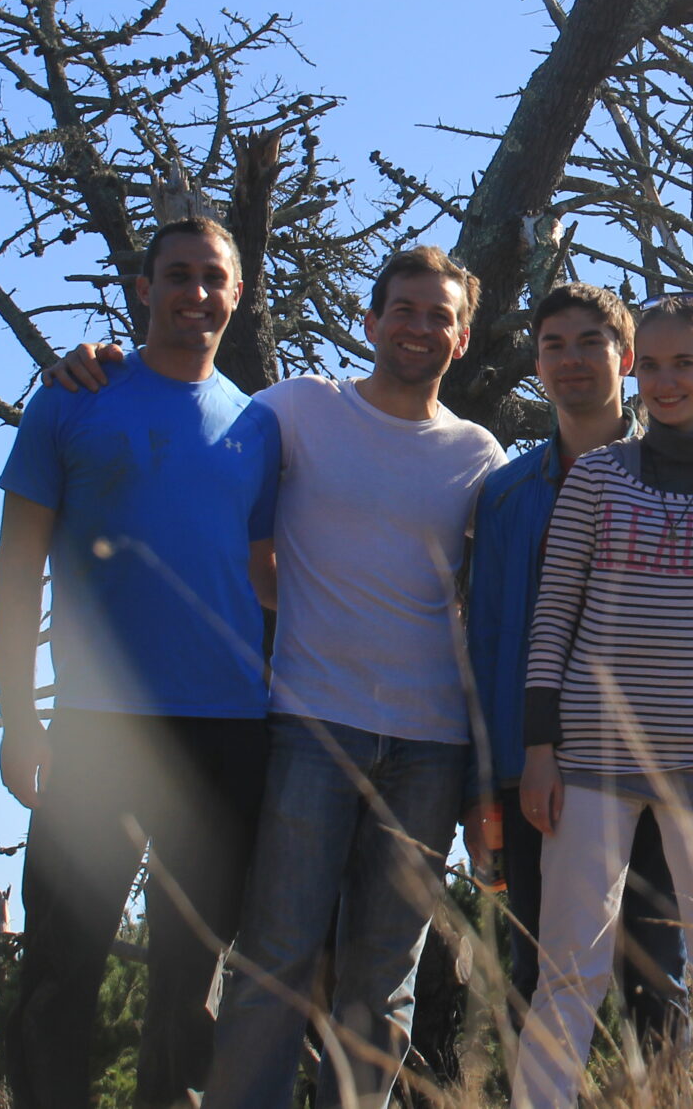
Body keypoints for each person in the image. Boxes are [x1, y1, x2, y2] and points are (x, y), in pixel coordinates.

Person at [464, 284, 693, 1053]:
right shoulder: (512, 492)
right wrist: (510, 767)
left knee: (675, 972)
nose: (665, 379)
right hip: (572, 763)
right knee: (555, 970)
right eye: (552, 345)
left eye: (681, 363)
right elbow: (507, 634)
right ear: (535, 361)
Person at [0, 219, 283, 1109]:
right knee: (58, 967)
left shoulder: (258, 426)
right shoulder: (74, 399)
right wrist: (18, 717)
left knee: (189, 977)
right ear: (146, 286)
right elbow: (16, 566)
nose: (196, 293)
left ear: (238, 295)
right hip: (96, 729)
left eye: (214, 279)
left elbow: (267, 579)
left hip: (229, 731)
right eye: (179, 275)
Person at [211, 246, 507, 1109]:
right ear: (370, 321)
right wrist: (103, 368)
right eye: (404, 309)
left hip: (431, 744)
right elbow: (202, 429)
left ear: (461, 339)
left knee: (382, 979)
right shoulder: (303, 407)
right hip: (312, 722)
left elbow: (486, 603)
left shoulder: (477, 453)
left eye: (439, 316)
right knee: (276, 952)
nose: (420, 326)